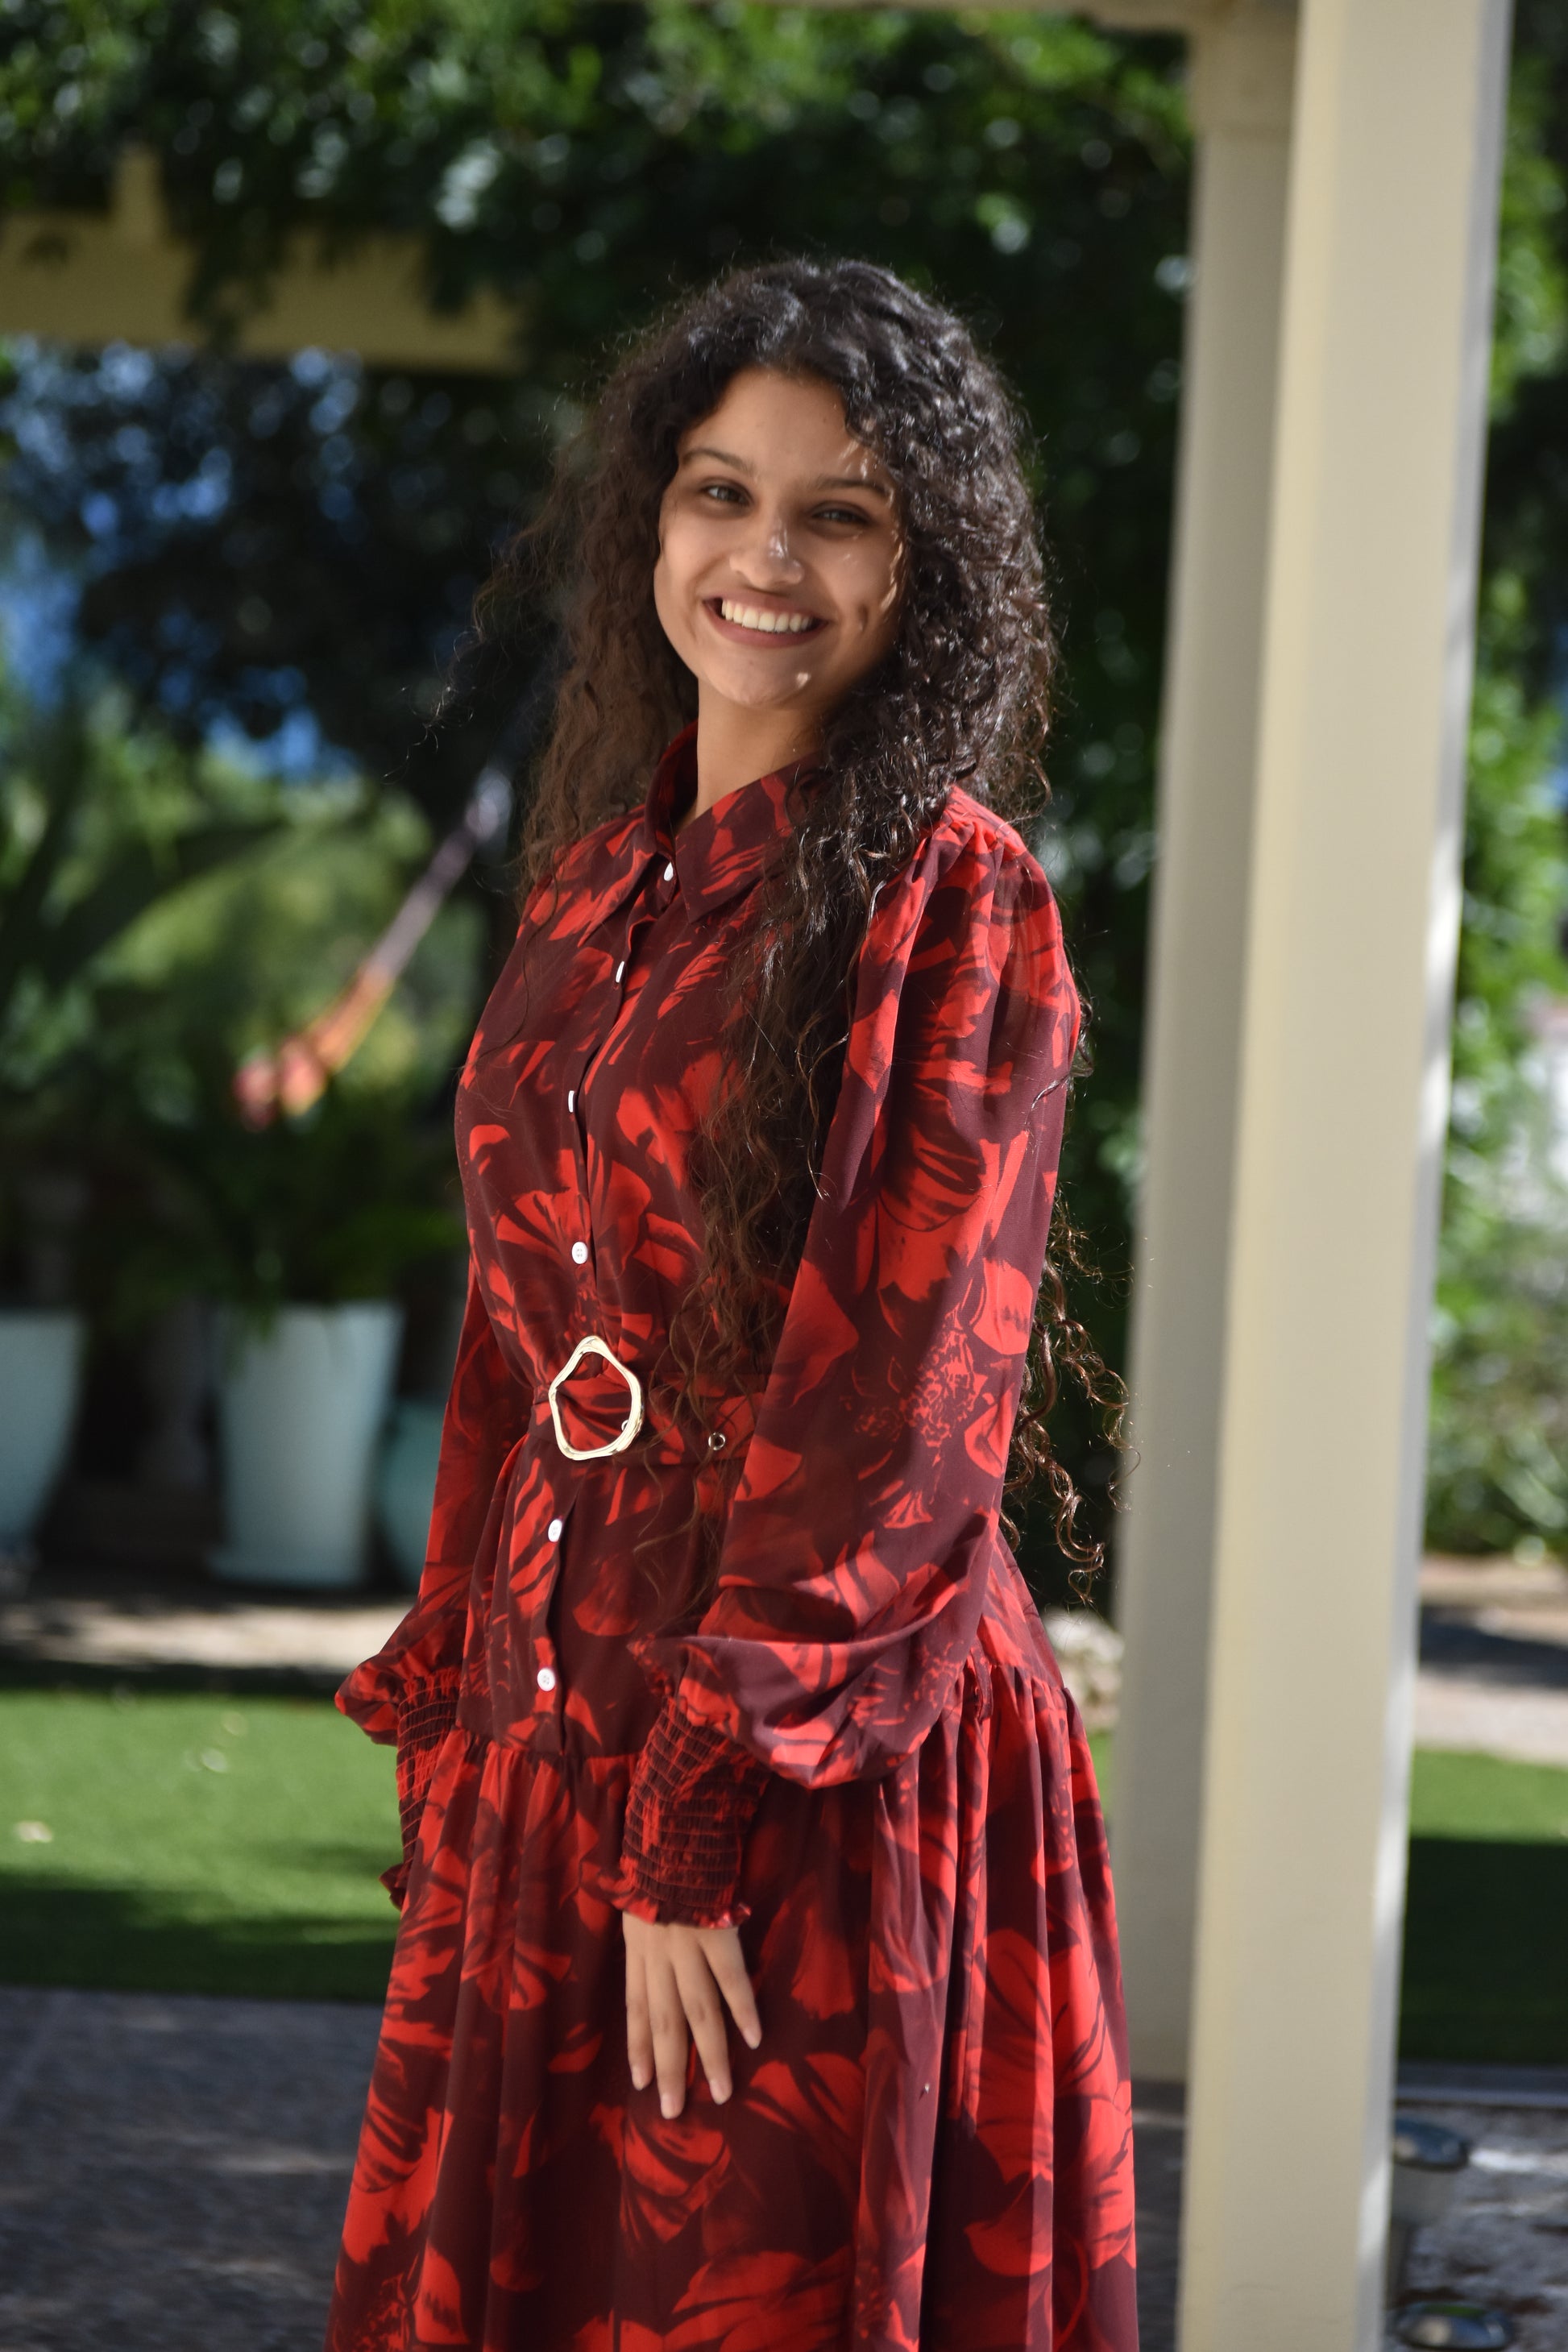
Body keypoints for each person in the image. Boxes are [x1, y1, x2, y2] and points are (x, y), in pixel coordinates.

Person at [327, 257, 1136, 2352]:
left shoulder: (947, 900)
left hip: (804, 1758)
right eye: (717, 492)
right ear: (648, 524)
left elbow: (902, 1395)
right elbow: (519, 1351)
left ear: (921, 563)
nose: (760, 557)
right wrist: (474, 1715)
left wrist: (701, 1820)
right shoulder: (594, 896)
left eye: (838, 511)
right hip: (558, 1732)